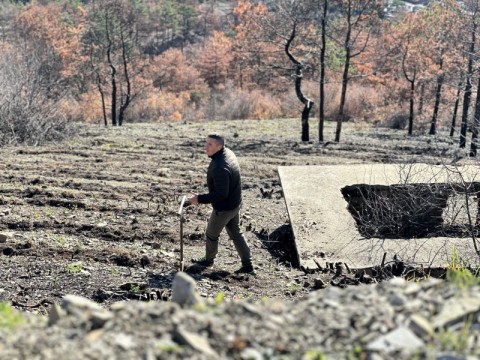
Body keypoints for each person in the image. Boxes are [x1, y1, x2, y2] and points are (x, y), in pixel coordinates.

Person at [188, 134, 255, 275]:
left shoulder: (220, 167)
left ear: (219, 146)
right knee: (236, 232)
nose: (205, 147)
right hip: (235, 203)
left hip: (225, 208)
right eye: (206, 143)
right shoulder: (228, 153)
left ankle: (208, 260)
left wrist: (198, 199)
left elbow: (220, 194)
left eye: (210, 144)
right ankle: (248, 265)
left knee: (212, 233)